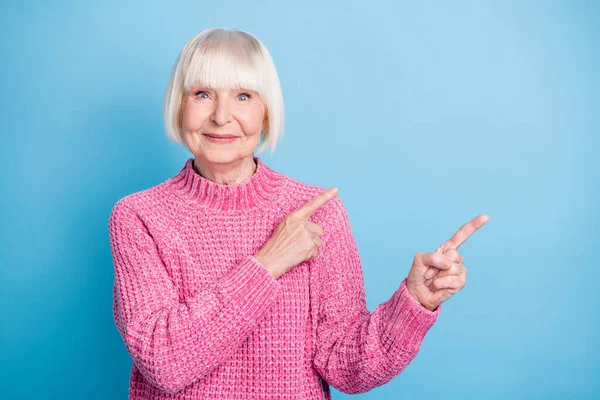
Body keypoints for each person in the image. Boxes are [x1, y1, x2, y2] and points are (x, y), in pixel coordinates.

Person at [108, 27, 489, 400]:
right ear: (180, 106)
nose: (221, 116)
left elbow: (347, 367)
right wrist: (268, 262)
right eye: (203, 94)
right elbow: (164, 362)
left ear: (267, 114)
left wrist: (415, 302)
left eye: (243, 96)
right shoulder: (139, 217)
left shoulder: (317, 213)